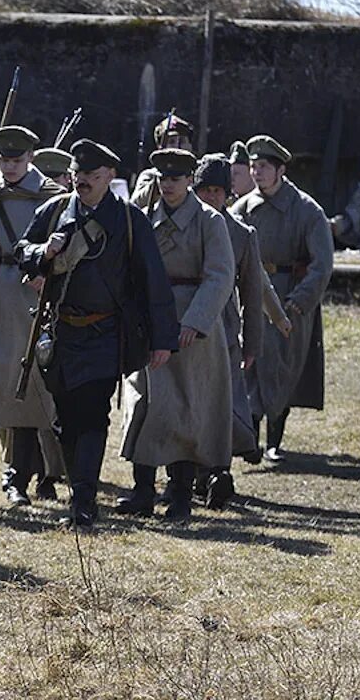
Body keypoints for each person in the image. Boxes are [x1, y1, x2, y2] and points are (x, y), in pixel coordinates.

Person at [16, 139, 177, 528]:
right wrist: (44, 253)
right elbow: (23, 249)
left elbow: (153, 281)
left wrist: (162, 339)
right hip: (59, 333)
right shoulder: (53, 211)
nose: (82, 181)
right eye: (77, 174)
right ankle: (81, 494)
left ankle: (83, 505)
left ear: (109, 177)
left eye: (91, 175)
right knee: (64, 419)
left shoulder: (129, 220)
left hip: (107, 333)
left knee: (91, 414)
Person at [116, 148, 235, 522]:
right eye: (162, 178)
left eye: (176, 178)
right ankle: (142, 492)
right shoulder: (143, 218)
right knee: (143, 403)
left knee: (186, 407)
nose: (168, 185)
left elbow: (220, 276)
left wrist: (195, 322)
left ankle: (180, 496)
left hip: (190, 327)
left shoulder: (209, 222)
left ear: (189, 181)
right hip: (149, 321)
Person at [0, 126, 64, 511]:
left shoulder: (52, 198)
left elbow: (65, 243)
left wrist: (48, 273)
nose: (10, 167)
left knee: (25, 389)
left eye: (17, 161)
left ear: (31, 159)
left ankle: (18, 477)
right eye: (4, 160)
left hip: (29, 297)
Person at [192, 154, 291, 506]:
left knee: (223, 405)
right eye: (204, 190)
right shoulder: (180, 223)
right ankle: (189, 473)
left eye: (218, 191)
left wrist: (253, 344)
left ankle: (216, 473)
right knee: (187, 402)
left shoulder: (240, 234)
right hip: (183, 329)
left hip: (223, 332)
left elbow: (254, 290)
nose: (210, 198)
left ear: (228, 193)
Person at [231, 135, 334, 461]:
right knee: (250, 366)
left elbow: (322, 264)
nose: (257, 173)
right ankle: (251, 442)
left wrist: (299, 301)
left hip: (289, 296)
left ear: (281, 170)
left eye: (263, 166)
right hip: (250, 296)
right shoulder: (242, 208)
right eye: (253, 166)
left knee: (282, 368)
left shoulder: (306, 210)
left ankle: (275, 440)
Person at [132, 114, 195, 209]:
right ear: (160, 148)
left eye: (182, 141)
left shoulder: (199, 175)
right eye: (172, 142)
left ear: (190, 146)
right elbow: (135, 205)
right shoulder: (150, 175)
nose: (177, 146)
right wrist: (159, 183)